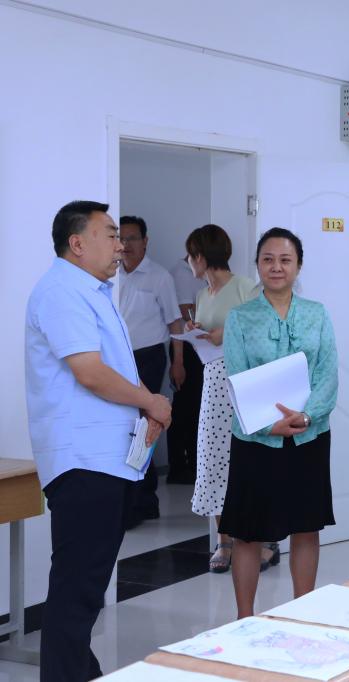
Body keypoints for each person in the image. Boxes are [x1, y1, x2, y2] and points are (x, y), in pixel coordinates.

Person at [25, 201, 171, 681]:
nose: (119, 245)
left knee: (85, 588)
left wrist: (143, 407)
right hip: (84, 461)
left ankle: (79, 672)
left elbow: (110, 368)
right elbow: (89, 372)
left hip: (105, 459)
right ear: (77, 243)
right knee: (77, 588)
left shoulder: (92, 291)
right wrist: (150, 400)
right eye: (109, 235)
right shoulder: (62, 291)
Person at [221, 227, 338, 618]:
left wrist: (306, 415)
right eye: (268, 259)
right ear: (257, 264)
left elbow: (327, 374)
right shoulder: (240, 317)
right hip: (256, 440)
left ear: (298, 266)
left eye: (285, 260)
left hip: (308, 436)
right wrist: (266, 425)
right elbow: (236, 377)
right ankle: (244, 619)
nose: (276, 267)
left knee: (306, 526)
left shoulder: (317, 314)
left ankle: (303, 612)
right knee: (248, 530)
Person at [184, 224, 266, 573]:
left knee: (249, 459)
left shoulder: (245, 287)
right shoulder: (202, 295)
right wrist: (195, 333)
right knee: (214, 457)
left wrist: (226, 333)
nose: (188, 262)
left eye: (190, 255)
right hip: (213, 381)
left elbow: (265, 329)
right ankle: (224, 539)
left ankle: (261, 539)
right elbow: (208, 335)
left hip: (244, 380)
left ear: (202, 256)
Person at [118, 215, 185, 527]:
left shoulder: (159, 277)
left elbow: (174, 323)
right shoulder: (111, 274)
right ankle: (134, 499)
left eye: (132, 238)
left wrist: (178, 361)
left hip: (149, 357)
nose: (126, 244)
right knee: (124, 426)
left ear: (145, 241)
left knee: (145, 425)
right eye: (121, 238)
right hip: (119, 360)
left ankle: (144, 500)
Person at [166, 254, 207, 484]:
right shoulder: (182, 273)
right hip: (185, 347)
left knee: (194, 410)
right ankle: (179, 467)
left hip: (198, 347)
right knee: (183, 410)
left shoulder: (200, 275)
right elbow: (184, 313)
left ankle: (193, 464)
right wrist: (178, 361)